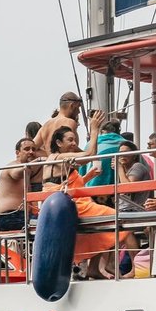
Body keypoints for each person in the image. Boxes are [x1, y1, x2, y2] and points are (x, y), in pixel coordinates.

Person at [43, 112, 138, 278]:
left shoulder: (56, 159)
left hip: (69, 203)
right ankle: (137, 268)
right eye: (70, 140)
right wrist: (94, 130)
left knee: (100, 229)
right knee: (120, 219)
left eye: (75, 140)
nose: (74, 143)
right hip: (72, 206)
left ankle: (95, 268)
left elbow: (63, 183)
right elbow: (90, 155)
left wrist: (87, 177)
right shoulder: (59, 157)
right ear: (58, 143)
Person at [0, 137, 40, 232]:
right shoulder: (13, 165)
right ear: (17, 153)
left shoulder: (28, 170)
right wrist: (36, 162)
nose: (31, 152)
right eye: (27, 149)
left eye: (33, 149)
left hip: (24, 216)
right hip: (10, 216)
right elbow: (16, 174)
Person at [35, 91, 85, 163]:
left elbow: (33, 147)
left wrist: (48, 155)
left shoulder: (46, 125)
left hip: (50, 169)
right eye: (78, 107)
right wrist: (89, 155)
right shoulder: (70, 122)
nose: (79, 112)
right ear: (72, 105)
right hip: (64, 168)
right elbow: (72, 147)